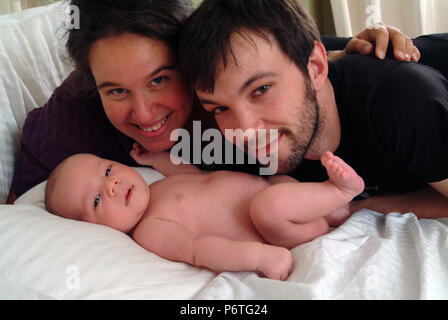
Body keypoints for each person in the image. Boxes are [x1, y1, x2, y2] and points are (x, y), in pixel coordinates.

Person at [8, 0, 422, 205]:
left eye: (160, 80)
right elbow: (21, 221)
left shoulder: (225, 89)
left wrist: (361, 49)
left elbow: (286, 57)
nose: (145, 113)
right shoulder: (65, 128)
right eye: (115, 90)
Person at [178, 0, 448, 218]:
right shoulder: (223, 137)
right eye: (220, 108)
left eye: (261, 90)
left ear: (316, 68)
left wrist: (366, 207)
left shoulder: (401, 103)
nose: (246, 132)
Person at [45, 148, 364, 280]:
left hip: (276, 192)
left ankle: (331, 210)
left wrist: (156, 159)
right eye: (98, 200)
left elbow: (193, 175)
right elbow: (200, 249)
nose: (113, 185)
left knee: (279, 184)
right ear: (92, 229)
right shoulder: (150, 230)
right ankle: (341, 192)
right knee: (270, 205)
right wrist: (258, 257)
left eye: (108, 170)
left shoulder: (156, 188)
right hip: (274, 228)